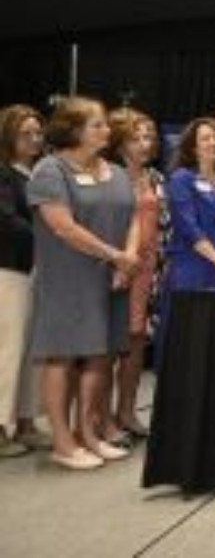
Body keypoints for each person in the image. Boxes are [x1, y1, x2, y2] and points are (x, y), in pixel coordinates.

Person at [27, 96, 139, 469]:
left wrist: (129, 258)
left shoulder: (116, 170)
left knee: (99, 355)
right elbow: (63, 227)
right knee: (63, 355)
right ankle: (62, 441)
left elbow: (134, 216)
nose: (107, 130)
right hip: (68, 278)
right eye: (98, 124)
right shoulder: (50, 170)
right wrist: (114, 255)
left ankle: (87, 433)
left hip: (112, 275)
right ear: (73, 130)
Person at [160, 118, 215, 363]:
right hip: (194, 268)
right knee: (189, 344)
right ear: (192, 146)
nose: (213, 143)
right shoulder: (181, 179)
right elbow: (188, 227)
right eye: (205, 138)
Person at [105, 108, 164, 440]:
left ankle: (126, 412)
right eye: (135, 138)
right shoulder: (109, 174)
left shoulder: (154, 177)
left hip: (149, 269)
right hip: (117, 266)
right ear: (118, 141)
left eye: (148, 137)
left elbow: (163, 227)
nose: (144, 144)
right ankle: (100, 419)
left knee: (137, 341)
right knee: (110, 346)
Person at [0, 104, 48, 457]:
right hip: (10, 271)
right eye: (25, 134)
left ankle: (27, 420)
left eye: (37, 133)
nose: (34, 139)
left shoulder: (36, 174)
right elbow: (8, 221)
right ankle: (2, 427)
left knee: (33, 349)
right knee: (9, 349)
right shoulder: (3, 173)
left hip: (37, 271)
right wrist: (50, 239)